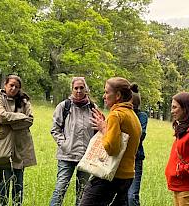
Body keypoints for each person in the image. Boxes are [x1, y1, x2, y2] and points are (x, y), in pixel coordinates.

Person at [78, 77, 142, 206]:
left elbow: (112, 148)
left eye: (107, 92)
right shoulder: (132, 115)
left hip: (110, 175)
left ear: (118, 95)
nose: (104, 96)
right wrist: (106, 126)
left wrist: (103, 128)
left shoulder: (116, 115)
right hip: (127, 176)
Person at [0, 75, 37, 206]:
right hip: (3, 144)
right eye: (11, 85)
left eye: (16, 87)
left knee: (19, 181)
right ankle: (3, 204)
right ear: (5, 85)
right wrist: (21, 117)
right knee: (4, 180)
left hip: (20, 144)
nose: (13, 88)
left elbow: (30, 120)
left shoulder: (24, 101)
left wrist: (10, 121)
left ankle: (17, 204)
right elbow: (1, 116)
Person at [49, 77, 97, 206]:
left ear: (86, 89)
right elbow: (55, 129)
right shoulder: (64, 106)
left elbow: (98, 131)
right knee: (60, 188)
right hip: (66, 155)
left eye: (81, 88)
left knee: (83, 192)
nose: (79, 90)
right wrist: (64, 144)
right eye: (76, 88)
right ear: (72, 89)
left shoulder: (93, 108)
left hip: (86, 157)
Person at [127, 83, 148, 206]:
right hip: (121, 159)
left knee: (132, 196)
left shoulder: (142, 116)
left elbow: (140, 135)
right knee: (122, 196)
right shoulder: (120, 114)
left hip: (136, 158)